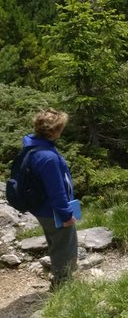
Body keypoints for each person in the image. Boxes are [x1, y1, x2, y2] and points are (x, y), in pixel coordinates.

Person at [21, 110, 79, 288]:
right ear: (54, 131)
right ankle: (63, 286)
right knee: (65, 248)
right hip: (53, 211)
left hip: (42, 208)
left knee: (56, 243)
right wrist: (66, 215)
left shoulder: (33, 147)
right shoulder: (48, 158)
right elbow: (56, 191)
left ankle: (60, 279)